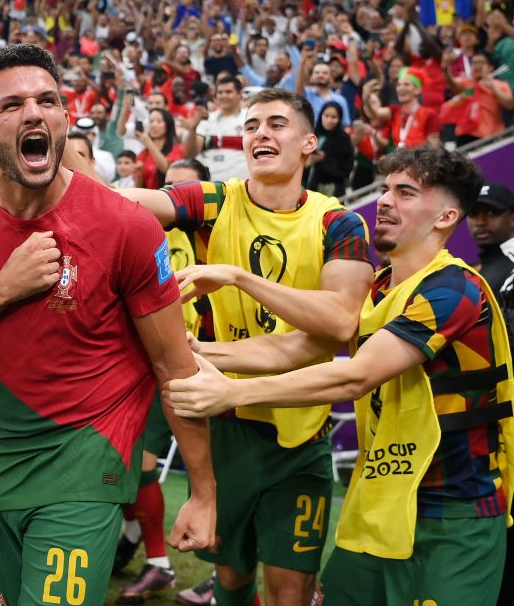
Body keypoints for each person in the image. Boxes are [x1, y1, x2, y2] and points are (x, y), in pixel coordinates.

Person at [0, 44, 217, 606]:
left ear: (64, 119)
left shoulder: (126, 226)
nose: (34, 113)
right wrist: (1, 287)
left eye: (48, 100)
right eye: (13, 104)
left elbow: (175, 365)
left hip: (84, 465)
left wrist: (203, 490)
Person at [165, 146, 513, 606]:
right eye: (386, 189)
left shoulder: (454, 288)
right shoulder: (378, 288)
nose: (385, 201)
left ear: (447, 216)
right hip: (379, 500)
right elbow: (299, 346)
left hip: (454, 511)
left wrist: (229, 390)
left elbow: (356, 377)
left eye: (405, 192)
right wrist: (205, 350)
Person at [101, 88, 372, 606]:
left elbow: (340, 322)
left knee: (290, 590)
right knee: (229, 577)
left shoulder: (339, 222)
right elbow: (133, 203)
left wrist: (237, 277)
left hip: (300, 435)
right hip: (226, 428)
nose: (260, 134)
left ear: (309, 142)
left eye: (275, 124)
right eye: (251, 126)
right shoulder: (217, 199)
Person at [114, 159, 205, 603]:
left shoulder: (210, 238)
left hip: (193, 366)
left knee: (146, 464)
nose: (174, 197)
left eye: (185, 188)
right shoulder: (146, 231)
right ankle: (142, 542)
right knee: (129, 463)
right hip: (145, 366)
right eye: (168, 187)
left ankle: (164, 562)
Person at [466, 182, 514, 606]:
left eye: (491, 213)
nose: (481, 221)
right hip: (490, 420)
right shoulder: (476, 271)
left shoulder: (509, 269)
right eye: (475, 213)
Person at [184, 76, 247, 183]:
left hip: (240, 184)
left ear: (239, 94)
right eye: (220, 92)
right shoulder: (206, 119)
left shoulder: (249, 117)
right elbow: (191, 155)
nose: (223, 95)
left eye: (228, 92)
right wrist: (192, 128)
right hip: (209, 184)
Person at [305, 101, 354, 199]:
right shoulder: (313, 134)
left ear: (339, 119)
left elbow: (346, 167)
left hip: (332, 190)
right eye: (326, 115)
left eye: (333, 117)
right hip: (308, 185)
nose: (329, 120)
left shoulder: (343, 139)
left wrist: (324, 160)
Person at [135, 108, 183, 189]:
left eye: (159, 121)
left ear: (168, 124)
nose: (153, 125)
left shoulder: (177, 149)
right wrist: (138, 176)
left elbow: (167, 169)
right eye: (151, 121)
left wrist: (148, 142)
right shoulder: (144, 154)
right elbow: (139, 187)